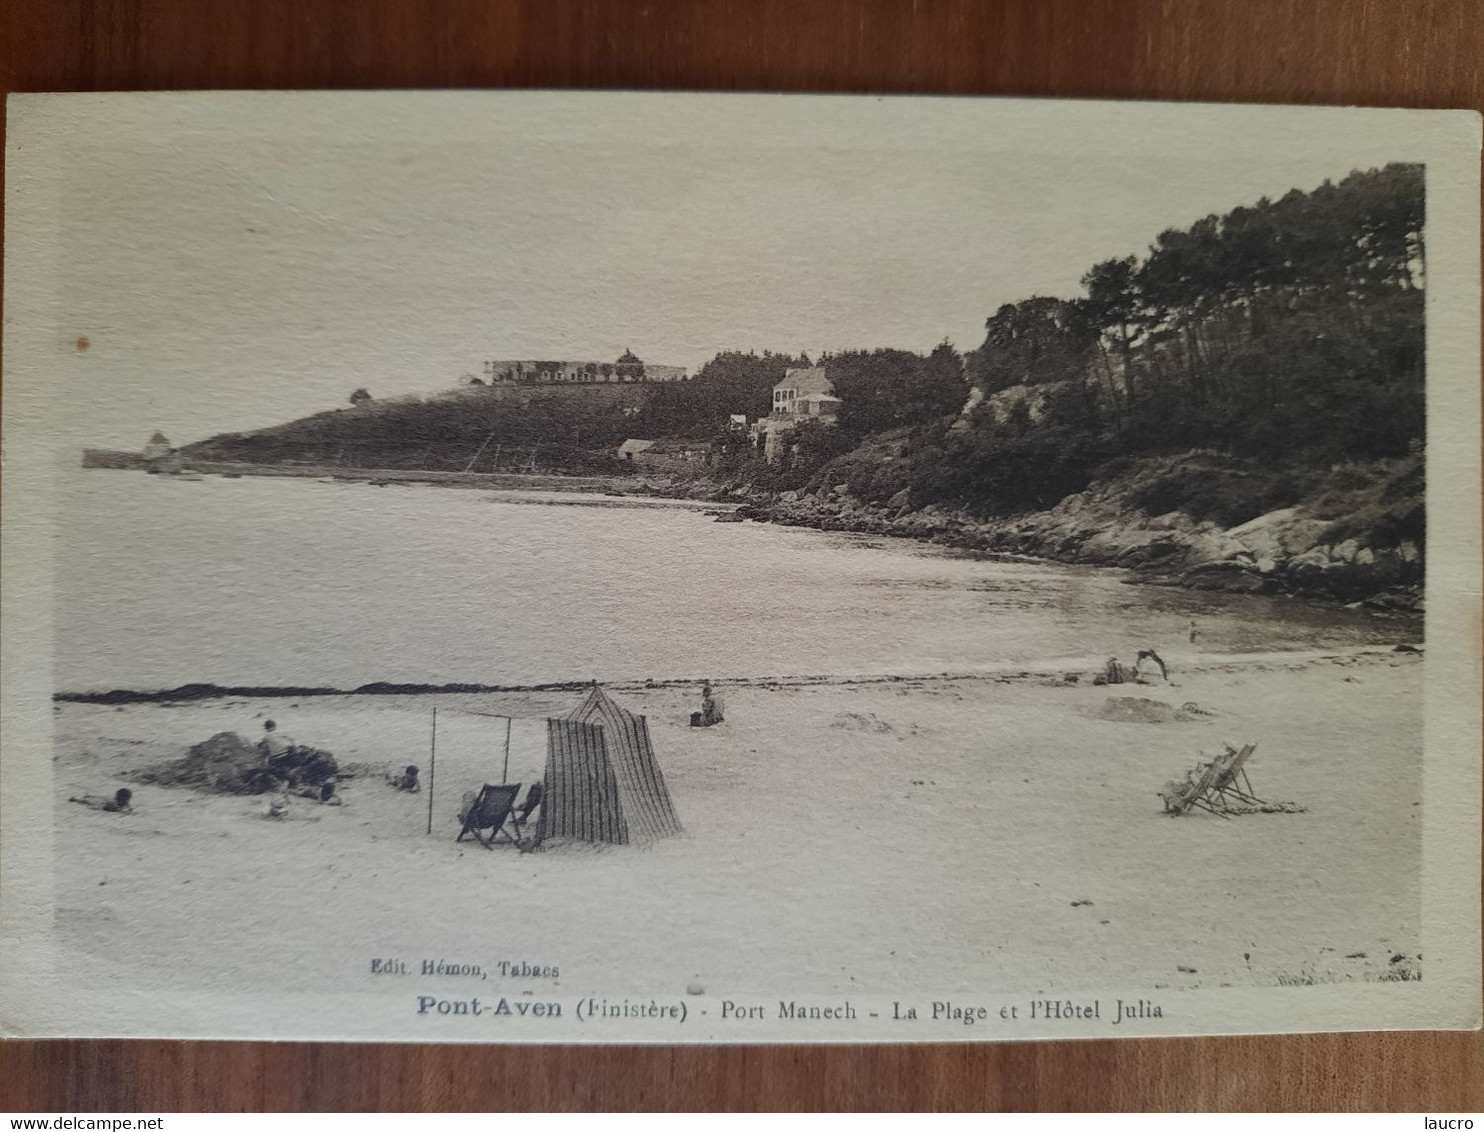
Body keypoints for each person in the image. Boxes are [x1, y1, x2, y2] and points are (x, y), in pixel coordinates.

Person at [69, 787, 133, 814]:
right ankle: (76, 800)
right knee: (87, 802)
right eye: (127, 796)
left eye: (129, 796)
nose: (129, 797)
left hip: (103, 801)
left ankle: (84, 798)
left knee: (90, 800)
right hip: (102, 803)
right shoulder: (113, 803)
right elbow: (117, 810)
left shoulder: (125, 803)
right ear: (119, 796)